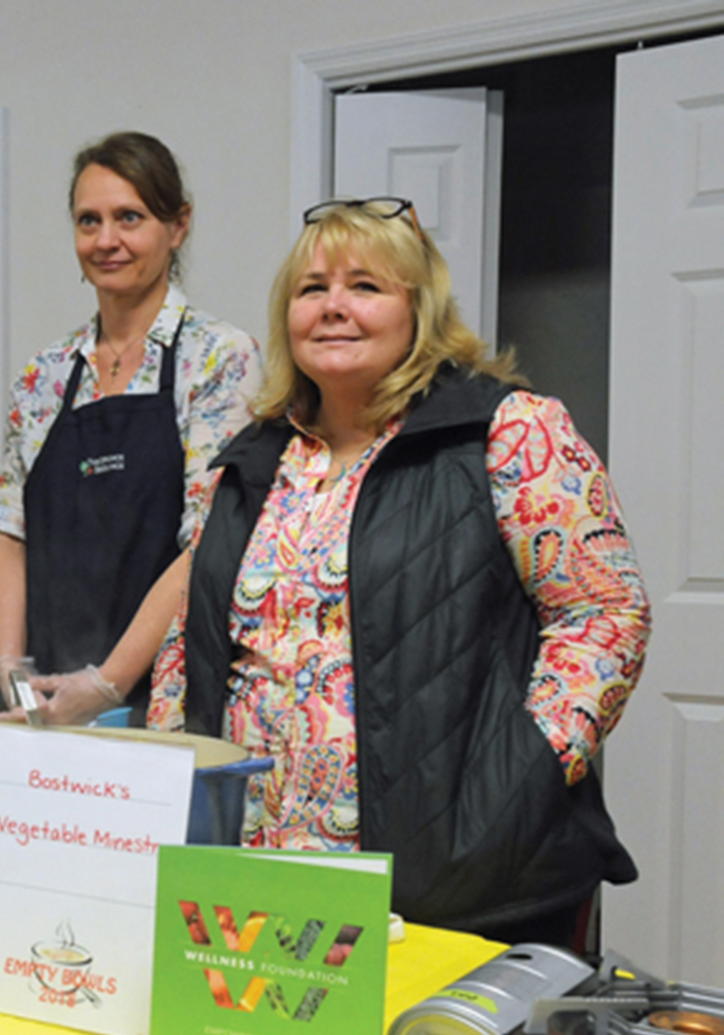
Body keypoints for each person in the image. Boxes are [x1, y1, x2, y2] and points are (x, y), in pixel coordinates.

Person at [149, 197, 651, 946]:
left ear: (419, 309)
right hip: (256, 877)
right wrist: (171, 786)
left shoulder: (508, 431)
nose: (334, 307)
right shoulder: (253, 459)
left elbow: (606, 613)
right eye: (312, 288)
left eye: (366, 286)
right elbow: (190, 635)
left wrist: (520, 778)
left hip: (455, 880)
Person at [0, 133, 261, 725]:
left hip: (156, 699)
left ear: (177, 225)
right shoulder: (47, 374)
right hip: (39, 702)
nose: (106, 241)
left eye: (129, 218)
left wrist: (107, 685)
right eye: (89, 221)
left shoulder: (218, 360)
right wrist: (10, 666)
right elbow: (6, 527)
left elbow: (208, 541)